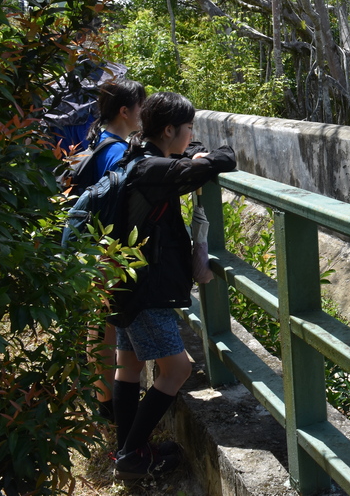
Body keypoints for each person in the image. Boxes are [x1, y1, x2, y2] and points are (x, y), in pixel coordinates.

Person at [109, 92, 236, 480]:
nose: (193, 134)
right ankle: (131, 455)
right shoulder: (154, 171)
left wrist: (189, 150)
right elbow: (225, 157)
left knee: (129, 366)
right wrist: (198, 158)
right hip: (145, 290)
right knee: (178, 368)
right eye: (188, 126)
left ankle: (125, 448)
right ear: (168, 130)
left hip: (121, 279)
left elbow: (193, 150)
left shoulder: (137, 156)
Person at [84, 77, 147, 424]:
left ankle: (103, 400)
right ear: (125, 111)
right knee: (107, 329)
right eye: (141, 107)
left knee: (101, 326)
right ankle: (108, 404)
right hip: (110, 250)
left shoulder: (98, 139)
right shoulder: (116, 152)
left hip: (95, 247)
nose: (143, 114)